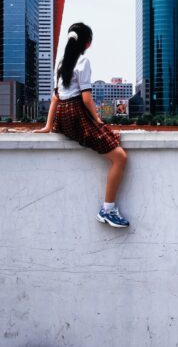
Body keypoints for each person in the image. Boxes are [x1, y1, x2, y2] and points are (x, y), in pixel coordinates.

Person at [35, 22, 130, 228]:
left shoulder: (60, 63)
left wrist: (49, 126)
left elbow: (55, 97)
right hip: (77, 114)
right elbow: (86, 98)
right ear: (87, 43)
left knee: (110, 141)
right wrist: (97, 119)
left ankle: (108, 209)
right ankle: (108, 209)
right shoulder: (83, 61)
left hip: (63, 116)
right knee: (120, 157)